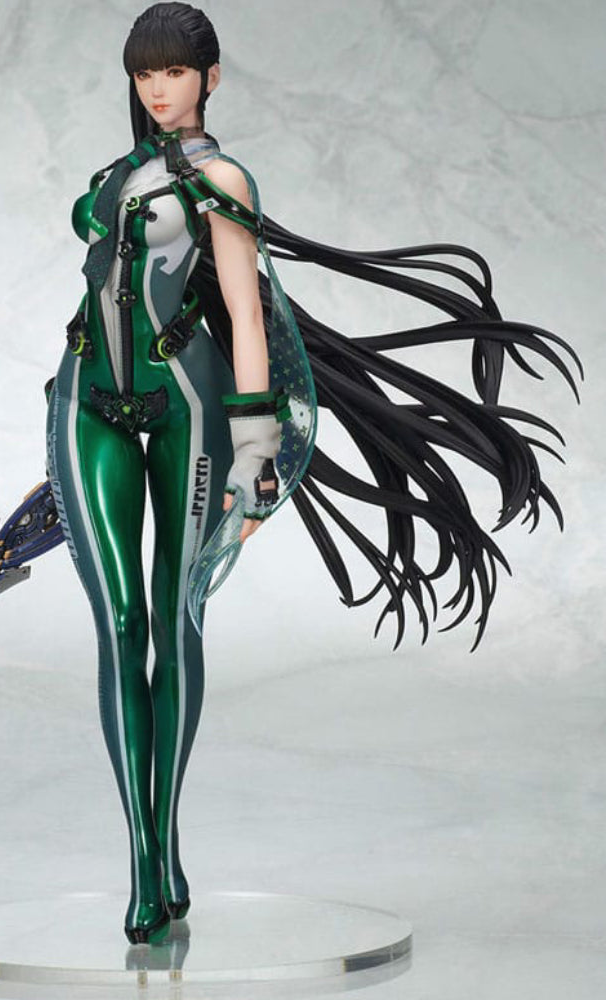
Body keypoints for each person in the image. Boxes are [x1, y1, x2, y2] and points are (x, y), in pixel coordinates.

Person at [46, 2, 578, 945]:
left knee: (175, 615)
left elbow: (247, 314)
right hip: (86, 402)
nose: (159, 88)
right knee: (119, 622)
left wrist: (257, 448)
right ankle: (143, 853)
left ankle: (164, 847)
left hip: (187, 405)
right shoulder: (112, 176)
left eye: (175, 71)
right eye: (145, 72)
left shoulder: (221, 179)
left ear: (211, 78)